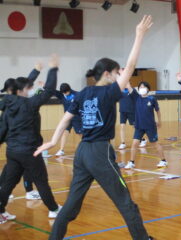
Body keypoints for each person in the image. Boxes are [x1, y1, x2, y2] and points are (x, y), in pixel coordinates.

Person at [34, 16, 154, 240]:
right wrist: (139, 35)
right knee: (126, 202)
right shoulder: (109, 93)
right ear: (107, 73)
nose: (120, 76)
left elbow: (65, 119)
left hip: (82, 153)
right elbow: (131, 67)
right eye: (117, 73)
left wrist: (52, 141)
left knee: (70, 207)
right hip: (100, 153)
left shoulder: (82, 93)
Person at [0, 56, 61, 224]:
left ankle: (0, 211)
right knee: (41, 181)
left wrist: (35, 71)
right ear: (20, 90)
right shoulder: (29, 104)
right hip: (29, 151)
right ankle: (54, 209)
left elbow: (22, 86)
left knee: (8, 183)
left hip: (12, 150)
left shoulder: (7, 104)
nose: (29, 91)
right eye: (27, 89)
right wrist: (53, 69)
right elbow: (48, 90)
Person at [124, 81, 167, 169]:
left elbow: (157, 110)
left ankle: (163, 161)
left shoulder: (152, 99)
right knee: (135, 143)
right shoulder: (136, 97)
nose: (142, 89)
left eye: (144, 87)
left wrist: (159, 121)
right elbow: (128, 86)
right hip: (139, 126)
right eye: (140, 87)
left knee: (155, 144)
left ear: (148, 89)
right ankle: (131, 162)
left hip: (150, 126)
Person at [54, 83, 83, 156]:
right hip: (67, 118)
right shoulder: (61, 95)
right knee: (65, 132)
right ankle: (61, 150)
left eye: (66, 92)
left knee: (80, 134)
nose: (65, 94)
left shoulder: (77, 94)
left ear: (69, 90)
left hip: (76, 117)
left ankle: (89, 147)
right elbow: (52, 91)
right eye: (63, 92)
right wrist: (45, 86)